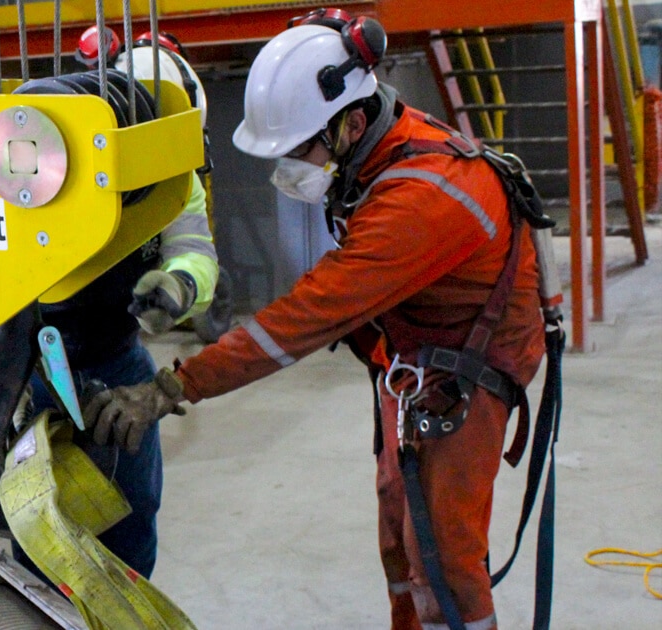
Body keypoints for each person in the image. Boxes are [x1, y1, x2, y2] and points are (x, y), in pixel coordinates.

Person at [85, 13, 548, 630]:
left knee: (441, 553)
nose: (286, 169)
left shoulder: (420, 199)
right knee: (400, 536)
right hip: (417, 362)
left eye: (296, 150)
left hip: (466, 374)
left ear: (352, 122)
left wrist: (173, 386)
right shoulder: (375, 153)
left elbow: (302, 320)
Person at [0, 30, 219, 580]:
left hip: (116, 359)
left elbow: (197, 254)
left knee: (130, 513)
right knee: (40, 528)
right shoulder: (18, 168)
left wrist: (177, 287)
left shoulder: (175, 181)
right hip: (25, 366)